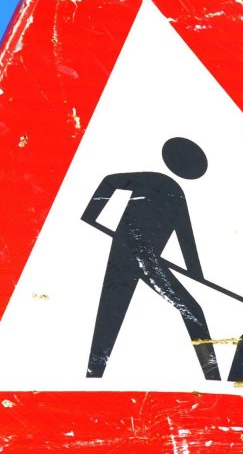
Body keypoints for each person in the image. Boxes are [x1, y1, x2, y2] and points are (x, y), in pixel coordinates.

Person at [80, 137, 219, 380]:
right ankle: (213, 376)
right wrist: (90, 215)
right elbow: (110, 181)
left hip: (141, 257)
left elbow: (185, 237)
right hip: (131, 253)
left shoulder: (175, 193)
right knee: (114, 314)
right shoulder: (156, 181)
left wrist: (196, 273)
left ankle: (93, 375)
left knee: (110, 315)